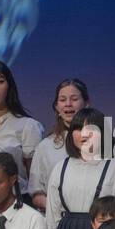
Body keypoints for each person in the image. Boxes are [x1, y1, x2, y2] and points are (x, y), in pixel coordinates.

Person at [28, 78, 90, 212]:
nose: (68, 104)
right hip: (59, 221)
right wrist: (57, 208)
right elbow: (36, 193)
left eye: (74, 99)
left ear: (86, 104)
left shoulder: (102, 143)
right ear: (56, 106)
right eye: (62, 100)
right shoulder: (45, 147)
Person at [0, 61, 42, 183]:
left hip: (16, 196)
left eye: (0, 81)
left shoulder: (27, 125)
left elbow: (34, 176)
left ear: (9, 86)